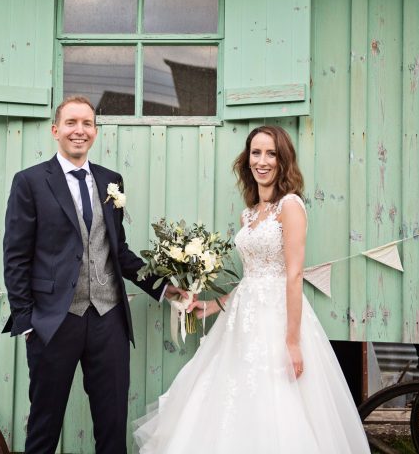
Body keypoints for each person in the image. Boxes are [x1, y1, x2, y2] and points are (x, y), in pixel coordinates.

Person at [133, 125, 370, 453]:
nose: (262, 161)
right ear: (247, 160)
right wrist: (213, 305)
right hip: (242, 322)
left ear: (283, 160)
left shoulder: (290, 206)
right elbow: (253, 278)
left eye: (271, 153)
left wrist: (292, 341)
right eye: (256, 153)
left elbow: (294, 274)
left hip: (277, 321)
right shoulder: (250, 214)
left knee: (276, 403)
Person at [2, 96, 184, 454]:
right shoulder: (30, 182)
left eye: (87, 123)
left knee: (112, 421)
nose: (79, 131)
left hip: (109, 319)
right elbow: (16, 256)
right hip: (54, 321)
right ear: (55, 130)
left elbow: (118, 252)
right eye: (71, 123)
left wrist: (165, 289)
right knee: (45, 423)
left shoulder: (110, 181)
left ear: (96, 132)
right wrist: (26, 321)